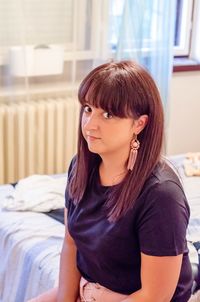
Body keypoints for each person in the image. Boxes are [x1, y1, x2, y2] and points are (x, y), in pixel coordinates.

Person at [28, 60, 193, 302]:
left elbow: (154, 296)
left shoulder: (162, 195)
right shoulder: (80, 167)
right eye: (87, 109)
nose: (90, 125)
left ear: (139, 123)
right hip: (91, 289)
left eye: (107, 114)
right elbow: (71, 243)